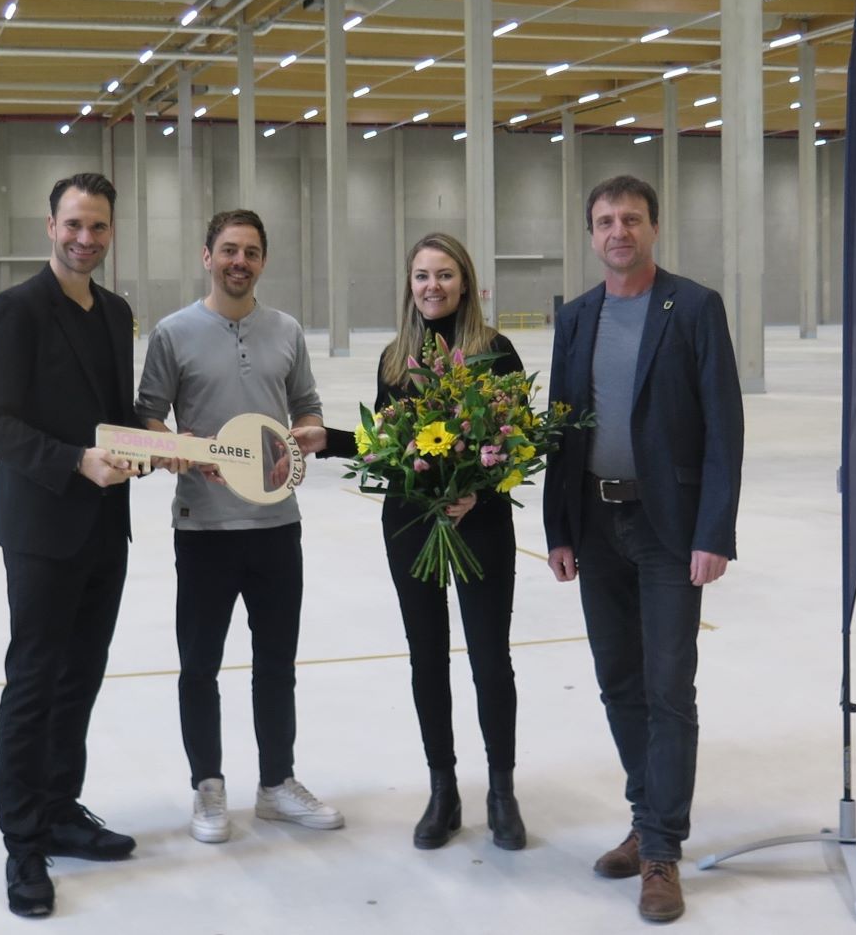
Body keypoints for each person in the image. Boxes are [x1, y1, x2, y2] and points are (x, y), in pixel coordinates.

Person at [543, 174, 744, 923]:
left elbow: (725, 427)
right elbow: (562, 430)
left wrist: (713, 531)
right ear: (591, 235)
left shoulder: (692, 308)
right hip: (595, 529)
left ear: (653, 228)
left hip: (667, 529)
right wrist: (558, 528)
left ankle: (660, 849)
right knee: (618, 681)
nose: (618, 231)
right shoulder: (578, 317)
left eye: (630, 218)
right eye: (604, 221)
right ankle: (645, 812)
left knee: (668, 688)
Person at [297, 232, 528, 852]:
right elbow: (388, 446)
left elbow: (516, 444)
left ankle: (501, 791)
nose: (432, 286)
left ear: (466, 282)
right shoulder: (396, 358)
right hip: (411, 524)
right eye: (422, 276)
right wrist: (331, 440)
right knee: (426, 656)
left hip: (479, 525)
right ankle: (443, 788)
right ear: (410, 285)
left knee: (489, 658)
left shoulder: (495, 352)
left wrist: (478, 490)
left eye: (444, 275)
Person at [134, 208, 344, 844]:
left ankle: (277, 785)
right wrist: (175, 447)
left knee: (276, 664)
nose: (239, 262)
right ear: (206, 255)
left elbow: (305, 407)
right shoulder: (173, 332)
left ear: (263, 261)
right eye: (228, 250)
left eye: (251, 252)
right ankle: (208, 786)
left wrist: (308, 435)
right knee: (199, 665)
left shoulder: (286, 330)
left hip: (278, 525)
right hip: (203, 529)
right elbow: (147, 416)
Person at [0, 172, 141, 919]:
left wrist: (157, 438)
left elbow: (113, 412)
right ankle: (23, 839)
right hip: (42, 526)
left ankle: (62, 806)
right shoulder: (17, 310)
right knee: (36, 677)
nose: (85, 238)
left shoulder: (115, 312)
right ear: (50, 226)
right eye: (74, 224)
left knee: (83, 675)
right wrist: (74, 460)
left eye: (98, 227)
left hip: (106, 525)